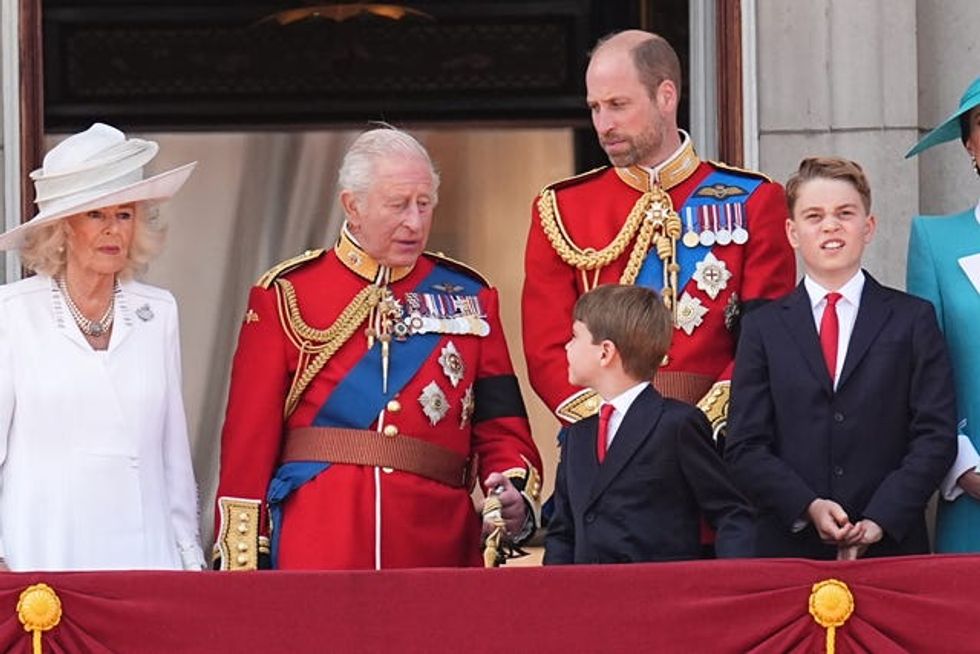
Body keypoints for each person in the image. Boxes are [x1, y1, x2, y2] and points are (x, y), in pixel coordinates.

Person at [214, 127, 542, 570]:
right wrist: (242, 557)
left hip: (436, 545)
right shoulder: (287, 293)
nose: (415, 222)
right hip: (318, 543)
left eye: (424, 204)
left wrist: (512, 491)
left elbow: (502, 427)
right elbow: (248, 442)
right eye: (398, 204)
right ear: (352, 206)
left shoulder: (470, 296)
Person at [522, 29, 795, 453]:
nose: (603, 124)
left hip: (715, 448)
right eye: (595, 107)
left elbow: (764, 339)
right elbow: (547, 350)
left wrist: (701, 426)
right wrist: (614, 425)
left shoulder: (753, 200)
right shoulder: (561, 209)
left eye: (618, 104)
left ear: (666, 96)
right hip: (606, 449)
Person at [725, 156, 957, 559]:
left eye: (845, 213)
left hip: (891, 547)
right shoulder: (762, 328)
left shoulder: (912, 319)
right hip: (789, 549)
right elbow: (745, 445)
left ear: (869, 226)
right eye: (814, 216)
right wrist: (807, 506)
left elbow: (935, 435)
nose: (830, 226)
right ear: (792, 232)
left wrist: (881, 517)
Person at [0, 122, 204, 571]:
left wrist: (189, 558)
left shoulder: (158, 313)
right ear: (62, 228)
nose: (113, 230)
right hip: (43, 557)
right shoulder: (12, 314)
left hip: (145, 559)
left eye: (124, 214)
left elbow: (172, 454)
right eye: (96, 215)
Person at [544, 284, 753, 564]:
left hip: (660, 588)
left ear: (605, 352)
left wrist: (730, 579)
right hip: (588, 589)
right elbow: (562, 533)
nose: (567, 346)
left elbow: (730, 512)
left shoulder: (677, 424)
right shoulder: (577, 436)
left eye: (575, 336)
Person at [906, 75, 980, 552]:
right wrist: (961, 463)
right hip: (974, 498)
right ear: (969, 144)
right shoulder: (934, 240)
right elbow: (922, 372)